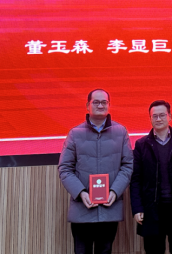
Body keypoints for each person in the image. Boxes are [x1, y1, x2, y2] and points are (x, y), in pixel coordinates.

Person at [59, 89, 134, 254]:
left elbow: (128, 165)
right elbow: (65, 168)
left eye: (104, 102)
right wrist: (81, 193)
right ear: (88, 106)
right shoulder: (75, 134)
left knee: (105, 250)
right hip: (82, 208)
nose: (100, 105)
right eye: (96, 102)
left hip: (109, 207)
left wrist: (115, 191)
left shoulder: (121, 132)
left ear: (109, 105)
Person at [130, 100, 172, 254]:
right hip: (151, 210)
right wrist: (137, 208)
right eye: (154, 116)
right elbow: (136, 179)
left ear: (170, 117)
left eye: (162, 115)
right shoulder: (141, 145)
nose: (158, 119)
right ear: (150, 119)